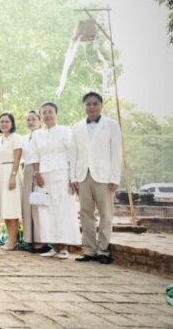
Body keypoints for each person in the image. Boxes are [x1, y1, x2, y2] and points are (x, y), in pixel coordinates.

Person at [69, 92, 122, 265]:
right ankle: (90, 250)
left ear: (101, 105)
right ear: (84, 106)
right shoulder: (77, 127)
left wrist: (115, 177)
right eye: (88, 104)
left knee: (106, 214)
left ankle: (103, 250)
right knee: (86, 213)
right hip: (83, 175)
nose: (91, 107)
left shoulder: (111, 125)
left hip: (104, 176)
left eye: (95, 103)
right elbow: (73, 154)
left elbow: (116, 153)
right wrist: (73, 177)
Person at [29, 102, 81, 259]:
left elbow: (72, 154)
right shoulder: (37, 134)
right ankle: (54, 246)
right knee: (46, 209)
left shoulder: (65, 131)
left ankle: (63, 247)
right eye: (43, 112)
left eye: (50, 111)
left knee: (62, 209)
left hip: (62, 173)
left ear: (56, 114)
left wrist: (73, 177)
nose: (47, 115)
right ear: (40, 116)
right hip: (43, 175)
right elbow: (34, 155)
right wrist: (37, 173)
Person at [0, 112, 23, 251]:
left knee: (12, 207)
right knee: (5, 208)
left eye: (6, 121)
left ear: (12, 124)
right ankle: (11, 239)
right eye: (1, 121)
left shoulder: (15, 138)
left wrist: (13, 176)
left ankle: (13, 240)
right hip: (0, 174)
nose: (3, 124)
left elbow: (17, 158)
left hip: (11, 172)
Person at [21, 110, 47, 253]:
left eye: (33, 119)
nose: (30, 122)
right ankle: (29, 239)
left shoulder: (43, 135)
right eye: (28, 120)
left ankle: (40, 240)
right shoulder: (25, 138)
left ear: (39, 120)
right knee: (27, 205)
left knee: (38, 204)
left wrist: (38, 173)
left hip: (40, 169)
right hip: (27, 170)